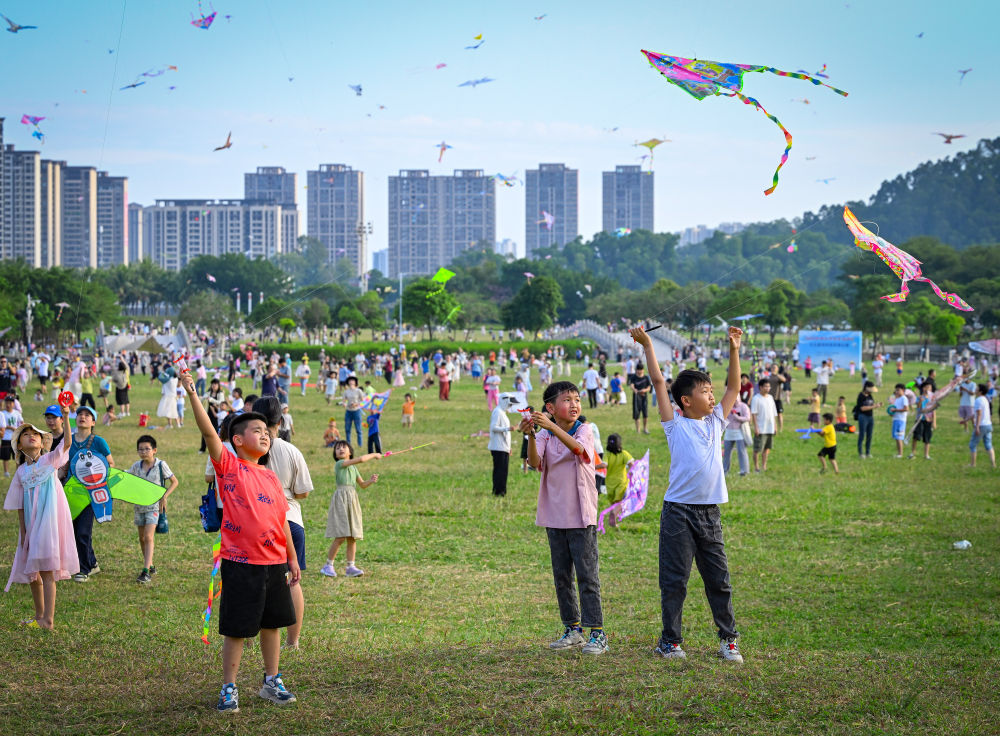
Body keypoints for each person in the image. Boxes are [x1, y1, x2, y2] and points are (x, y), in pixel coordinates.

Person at [181, 370, 300, 712]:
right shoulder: (230, 467)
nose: (264, 436)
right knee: (236, 628)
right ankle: (229, 687)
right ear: (237, 440)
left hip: (275, 561)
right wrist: (192, 394)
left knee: (272, 623)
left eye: (267, 432)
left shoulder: (272, 478)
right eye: (257, 431)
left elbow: (281, 522)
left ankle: (271, 681)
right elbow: (207, 431)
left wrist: (291, 559)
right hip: (241, 562)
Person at [629, 324, 744, 663]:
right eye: (705, 391)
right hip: (678, 512)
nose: (712, 396)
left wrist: (734, 349)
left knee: (719, 580)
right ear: (685, 400)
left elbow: (734, 386)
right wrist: (648, 345)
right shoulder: (674, 423)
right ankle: (670, 641)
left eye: (712, 391)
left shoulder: (716, 422)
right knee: (675, 580)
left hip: (709, 512)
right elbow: (658, 382)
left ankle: (729, 640)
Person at [519, 380, 608, 656]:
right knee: (562, 576)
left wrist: (550, 426)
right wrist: (532, 435)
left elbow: (580, 451)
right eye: (567, 400)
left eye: (577, 399)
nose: (574, 405)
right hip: (555, 515)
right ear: (550, 407)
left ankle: (597, 634)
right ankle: (573, 630)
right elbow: (535, 463)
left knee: (587, 576)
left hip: (581, 516)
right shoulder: (545, 433)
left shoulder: (584, 429)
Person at [3, 403, 77, 629]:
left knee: (46, 570)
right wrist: (23, 533)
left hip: (49, 523)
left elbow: (67, 444)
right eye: (25, 435)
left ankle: (48, 619)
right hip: (31, 525)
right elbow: (20, 506)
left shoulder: (49, 461)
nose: (31, 436)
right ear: (19, 445)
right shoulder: (21, 472)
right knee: (32, 573)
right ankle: (39, 615)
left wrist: (65, 416)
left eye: (35, 434)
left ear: (42, 442)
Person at [254, 396, 314, 651]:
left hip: (257, 521)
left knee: (257, 580)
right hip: (290, 519)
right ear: (281, 420)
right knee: (293, 580)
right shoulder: (291, 451)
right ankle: (293, 641)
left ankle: (254, 633)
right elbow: (303, 492)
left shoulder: (247, 449)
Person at [68, 405, 115, 583]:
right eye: (80, 414)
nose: (82, 417)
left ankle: (84, 569)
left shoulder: (98, 441)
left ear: (93, 422)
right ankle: (93, 563)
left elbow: (110, 463)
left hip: (91, 494)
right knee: (73, 531)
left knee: (83, 531)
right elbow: (64, 464)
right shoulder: (69, 440)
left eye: (88, 415)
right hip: (72, 493)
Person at [321, 441, 381, 578]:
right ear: (335, 454)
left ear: (350, 452)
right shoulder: (339, 464)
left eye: (343, 447)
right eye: (337, 448)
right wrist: (374, 454)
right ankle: (328, 565)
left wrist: (370, 481)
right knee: (341, 535)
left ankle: (350, 567)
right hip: (341, 500)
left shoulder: (353, 468)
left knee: (352, 536)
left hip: (352, 500)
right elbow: (361, 459)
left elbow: (362, 485)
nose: (340, 449)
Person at [126, 435, 178, 584]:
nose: (143, 452)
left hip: (154, 507)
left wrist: (165, 496)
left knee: (149, 537)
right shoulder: (136, 466)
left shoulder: (161, 465)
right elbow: (127, 478)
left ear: (154, 450)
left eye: (147, 449)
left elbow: (174, 482)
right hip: (139, 506)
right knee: (142, 538)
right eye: (140, 449)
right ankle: (150, 564)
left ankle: (145, 571)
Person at [488, 393, 520, 496]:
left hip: (503, 447)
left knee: (504, 470)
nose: (510, 407)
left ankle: (502, 491)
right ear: (504, 401)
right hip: (497, 446)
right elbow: (494, 427)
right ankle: (498, 491)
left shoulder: (503, 413)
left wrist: (508, 447)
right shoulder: (497, 412)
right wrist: (508, 428)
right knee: (499, 470)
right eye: (509, 404)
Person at [602, 433, 633, 528]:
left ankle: (613, 522)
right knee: (621, 502)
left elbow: (604, 465)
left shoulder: (607, 455)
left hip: (610, 483)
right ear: (619, 443)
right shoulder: (624, 454)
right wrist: (632, 473)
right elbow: (632, 464)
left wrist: (593, 467)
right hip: (621, 482)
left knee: (614, 503)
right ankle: (614, 514)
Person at [750, 379, 777, 473]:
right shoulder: (756, 398)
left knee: (767, 448)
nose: (768, 388)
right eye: (766, 386)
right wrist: (756, 427)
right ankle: (756, 467)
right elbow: (753, 414)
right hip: (761, 428)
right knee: (757, 449)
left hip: (770, 427)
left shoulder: (770, 397)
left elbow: (774, 413)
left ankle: (764, 466)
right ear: (760, 387)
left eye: (769, 386)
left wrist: (775, 426)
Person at [722, 393, 751, 477]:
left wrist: (738, 417)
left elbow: (747, 418)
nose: (734, 401)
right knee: (727, 452)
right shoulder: (727, 406)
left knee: (741, 451)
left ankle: (744, 470)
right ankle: (725, 470)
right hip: (729, 432)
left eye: (736, 399)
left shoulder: (743, 406)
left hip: (739, 432)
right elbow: (723, 417)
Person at [969, 383, 995, 468]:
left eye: (977, 388)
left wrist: (977, 427)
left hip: (982, 425)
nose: (975, 389)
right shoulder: (985, 399)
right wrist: (966, 420)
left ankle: (973, 464)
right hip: (988, 425)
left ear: (980, 391)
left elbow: (979, 414)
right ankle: (993, 464)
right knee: (988, 445)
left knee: (972, 445)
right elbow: (977, 414)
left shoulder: (978, 400)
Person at [909, 382, 936, 460]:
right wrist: (920, 401)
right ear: (923, 388)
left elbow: (933, 411)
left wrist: (934, 421)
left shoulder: (932, 399)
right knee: (916, 436)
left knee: (927, 438)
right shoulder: (919, 397)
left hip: (928, 420)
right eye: (927, 387)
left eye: (930, 388)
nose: (929, 389)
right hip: (920, 420)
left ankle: (926, 455)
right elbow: (918, 407)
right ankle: (912, 453)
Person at [853, 381, 879, 458]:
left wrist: (877, 405)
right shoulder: (861, 396)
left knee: (869, 435)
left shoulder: (870, 395)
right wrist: (874, 407)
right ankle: (861, 453)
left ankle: (868, 452)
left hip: (870, 417)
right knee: (862, 435)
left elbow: (871, 404)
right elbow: (862, 408)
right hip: (863, 417)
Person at [0, 395, 24, 478]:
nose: (8, 404)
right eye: (6, 402)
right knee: (5, 456)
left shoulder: (16, 413)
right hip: (5, 438)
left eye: (10, 403)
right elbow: (2, 426)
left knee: (17, 456)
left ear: (13, 404)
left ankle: (18, 471)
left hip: (15, 438)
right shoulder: (2, 413)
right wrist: (10, 427)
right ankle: (6, 472)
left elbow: (21, 422)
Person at [630, 363, 653, 434]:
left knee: (645, 414)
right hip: (636, 397)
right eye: (638, 370)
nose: (639, 372)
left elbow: (649, 388)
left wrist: (644, 390)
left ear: (643, 370)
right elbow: (631, 385)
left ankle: (645, 429)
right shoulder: (633, 377)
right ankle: (638, 430)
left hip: (644, 397)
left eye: (640, 370)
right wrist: (635, 390)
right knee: (637, 413)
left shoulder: (646, 377)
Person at [155, 364, 180, 429]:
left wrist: (163, 373)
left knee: (168, 411)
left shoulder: (168, 380)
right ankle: (178, 424)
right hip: (173, 396)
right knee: (173, 410)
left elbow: (161, 378)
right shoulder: (175, 379)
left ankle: (170, 424)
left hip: (168, 397)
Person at [342, 376, 365, 445]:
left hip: (356, 411)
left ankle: (360, 444)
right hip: (348, 411)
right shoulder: (346, 391)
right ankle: (348, 444)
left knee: (358, 429)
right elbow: (344, 401)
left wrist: (356, 404)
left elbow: (363, 401)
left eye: (353, 380)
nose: (351, 381)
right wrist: (344, 404)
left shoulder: (358, 391)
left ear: (355, 382)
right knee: (347, 429)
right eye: (350, 380)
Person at [888, 383, 909, 458]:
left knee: (899, 437)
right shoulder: (897, 399)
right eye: (896, 390)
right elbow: (894, 409)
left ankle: (900, 454)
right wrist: (891, 412)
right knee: (896, 437)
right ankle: (898, 453)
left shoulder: (904, 398)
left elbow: (906, 409)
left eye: (898, 390)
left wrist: (896, 410)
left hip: (901, 420)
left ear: (903, 390)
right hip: (895, 419)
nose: (896, 392)